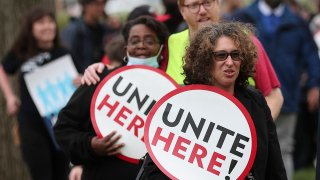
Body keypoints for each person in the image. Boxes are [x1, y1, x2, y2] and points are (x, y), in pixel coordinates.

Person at [82, 0, 284, 120]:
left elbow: (274, 96)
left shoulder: (247, 42)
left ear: (218, 4)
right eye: (194, 4)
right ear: (182, 10)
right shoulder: (170, 44)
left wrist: (255, 132)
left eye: (207, 2)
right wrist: (105, 70)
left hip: (234, 150)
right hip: (187, 154)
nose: (202, 10)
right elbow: (140, 77)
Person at [137, 21, 287, 180]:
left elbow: (274, 165)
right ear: (205, 60)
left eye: (235, 55)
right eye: (221, 55)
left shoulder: (255, 101)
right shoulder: (182, 103)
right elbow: (156, 169)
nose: (230, 62)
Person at [54, 16, 169, 180]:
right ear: (126, 48)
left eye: (150, 41)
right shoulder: (99, 79)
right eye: (135, 41)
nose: (141, 46)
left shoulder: (171, 92)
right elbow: (63, 128)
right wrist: (90, 145)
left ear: (161, 49)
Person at [231, 0, 320, 179]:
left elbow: (310, 55)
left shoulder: (296, 21)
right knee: (251, 150)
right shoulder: (243, 17)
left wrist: (314, 84)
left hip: (286, 93)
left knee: (284, 148)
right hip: (248, 100)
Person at [0, 8, 71, 180]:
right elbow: (2, 69)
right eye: (40, 22)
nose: (47, 26)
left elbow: (80, 80)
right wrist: (10, 97)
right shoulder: (21, 52)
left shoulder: (64, 53)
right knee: (41, 172)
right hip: (31, 123)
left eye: (50, 21)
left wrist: (80, 79)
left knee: (62, 173)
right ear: (31, 28)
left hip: (59, 124)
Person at [61, 0, 108, 73]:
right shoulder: (73, 31)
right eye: (97, 4)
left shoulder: (104, 29)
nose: (101, 7)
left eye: (103, 3)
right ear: (85, 6)